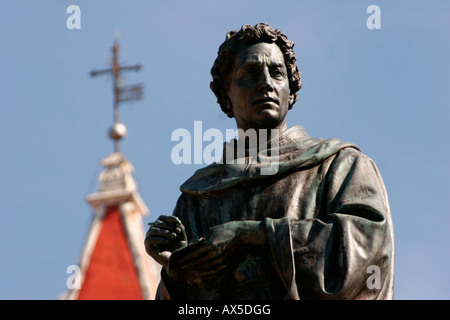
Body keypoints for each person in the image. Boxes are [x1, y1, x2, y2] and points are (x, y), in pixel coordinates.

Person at [145, 23, 394, 300]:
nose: (266, 83)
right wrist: (180, 268)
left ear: (291, 88)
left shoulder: (340, 166)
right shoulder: (198, 197)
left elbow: (364, 253)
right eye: (249, 73)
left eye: (276, 72)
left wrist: (250, 235)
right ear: (225, 93)